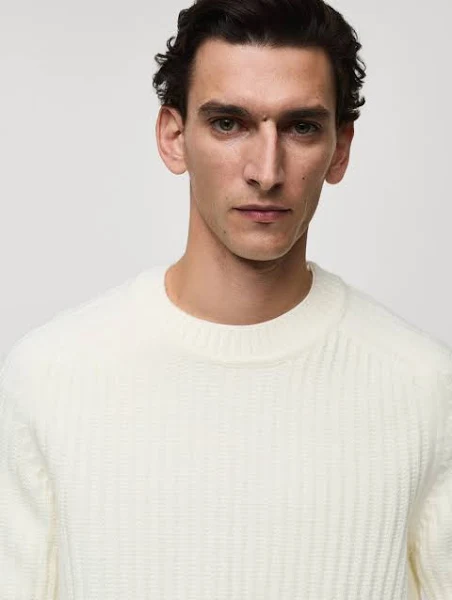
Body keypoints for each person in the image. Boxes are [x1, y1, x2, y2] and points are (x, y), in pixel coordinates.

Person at [0, 0, 451, 598]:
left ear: (340, 149)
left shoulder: (425, 388)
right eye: (229, 123)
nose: (266, 171)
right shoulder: (50, 377)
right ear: (174, 137)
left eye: (301, 127)